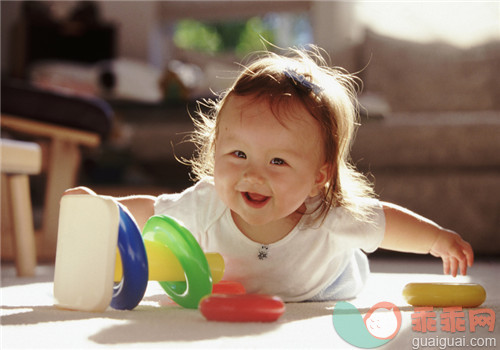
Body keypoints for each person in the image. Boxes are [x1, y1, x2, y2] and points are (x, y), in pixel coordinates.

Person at [65, 47, 473, 302]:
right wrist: (104, 211)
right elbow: (154, 210)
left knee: (352, 250)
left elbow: (384, 224)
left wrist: (437, 240)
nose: (252, 174)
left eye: (278, 162)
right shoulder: (207, 202)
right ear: (215, 151)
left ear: (319, 176)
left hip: (322, 287)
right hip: (235, 291)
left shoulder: (327, 212)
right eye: (238, 153)